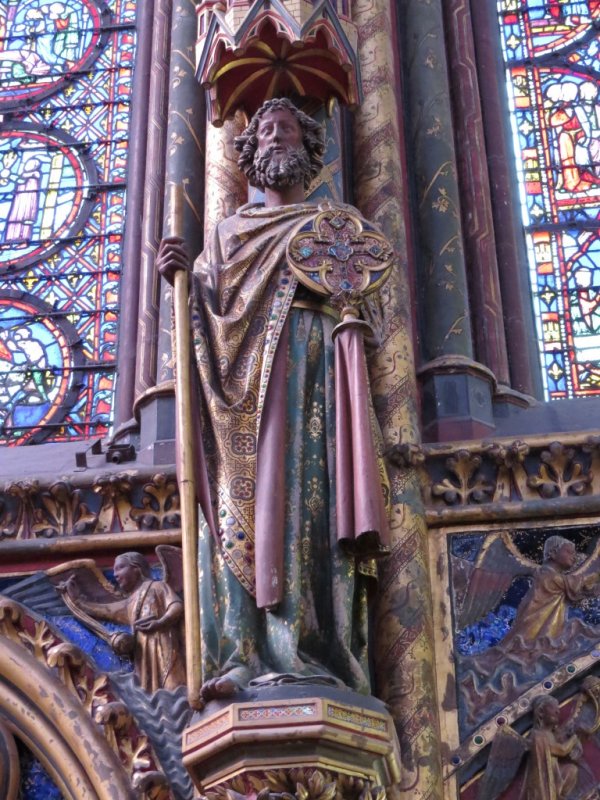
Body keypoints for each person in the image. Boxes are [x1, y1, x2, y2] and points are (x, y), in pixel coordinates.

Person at [157, 98, 389, 701]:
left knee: (305, 512)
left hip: (312, 382)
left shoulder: (333, 224)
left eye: (287, 128)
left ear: (310, 151)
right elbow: (201, 328)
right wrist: (182, 284)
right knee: (242, 514)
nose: (275, 136)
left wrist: (349, 312)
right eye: (265, 129)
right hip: (238, 399)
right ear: (250, 154)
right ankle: (241, 652)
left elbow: (374, 316)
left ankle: (310, 652)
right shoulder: (228, 234)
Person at [64, 552, 186, 693]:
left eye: (120, 568)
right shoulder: (130, 602)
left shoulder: (157, 587)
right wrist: (77, 601)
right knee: (148, 688)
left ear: (137, 568)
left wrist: (160, 622)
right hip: (143, 652)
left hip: (163, 643)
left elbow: (176, 606)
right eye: (114, 570)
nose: (115, 574)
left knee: (172, 684)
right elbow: (106, 610)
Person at [524, 695, 582, 800]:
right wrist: (573, 739)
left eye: (558, 709)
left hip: (554, 774)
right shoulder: (538, 735)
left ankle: (558, 794)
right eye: (553, 708)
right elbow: (562, 750)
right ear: (541, 712)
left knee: (571, 769)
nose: (557, 712)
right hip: (544, 780)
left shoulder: (550, 734)